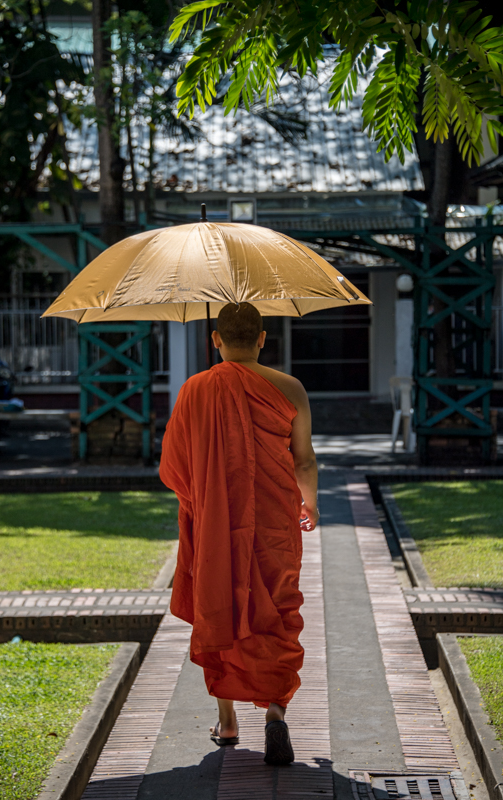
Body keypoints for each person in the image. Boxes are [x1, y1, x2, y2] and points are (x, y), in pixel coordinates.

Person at [159, 302, 318, 766]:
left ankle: (227, 720)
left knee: (220, 605)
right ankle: (274, 711)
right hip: (275, 525)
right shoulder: (290, 388)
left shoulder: (195, 389)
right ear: (264, 338)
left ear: (216, 339)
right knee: (277, 610)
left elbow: (174, 464)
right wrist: (310, 501)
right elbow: (303, 459)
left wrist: (200, 501)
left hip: (217, 525)